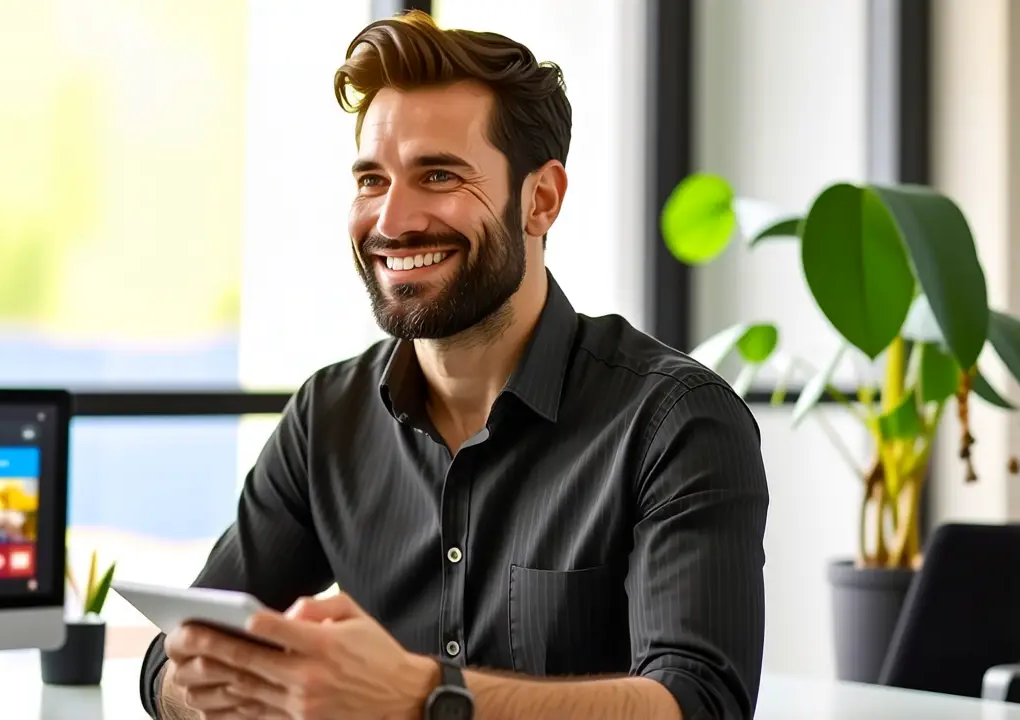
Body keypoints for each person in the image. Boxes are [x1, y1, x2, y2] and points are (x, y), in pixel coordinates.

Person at [139, 10, 768, 720]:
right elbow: (173, 655)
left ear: (541, 199)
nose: (392, 221)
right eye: (372, 180)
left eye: (438, 175)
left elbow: (701, 702)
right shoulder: (328, 416)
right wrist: (216, 686)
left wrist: (420, 696)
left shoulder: (675, 420)